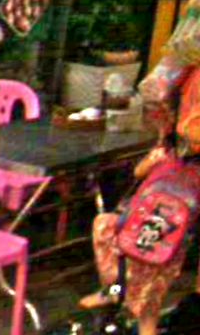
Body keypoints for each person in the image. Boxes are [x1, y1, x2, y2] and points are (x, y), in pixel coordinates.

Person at [79, 53, 200, 335]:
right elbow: (159, 98)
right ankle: (117, 293)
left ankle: (138, 315)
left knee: (156, 264)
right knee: (113, 232)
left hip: (177, 205)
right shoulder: (185, 72)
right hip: (158, 199)